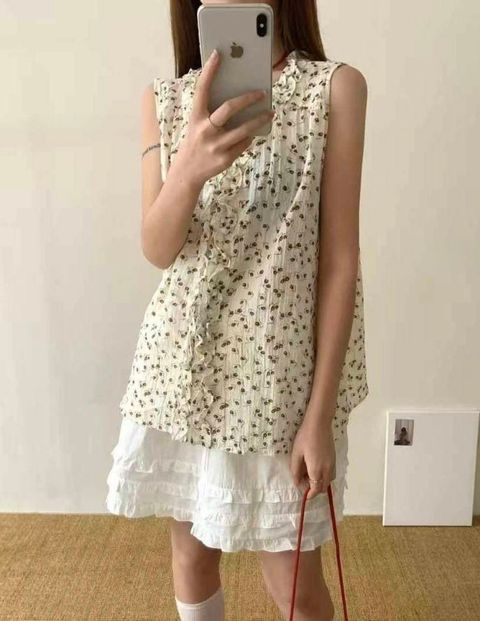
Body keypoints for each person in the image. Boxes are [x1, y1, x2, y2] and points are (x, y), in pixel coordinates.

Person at [106, 1, 369, 620]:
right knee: (192, 557)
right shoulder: (164, 99)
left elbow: (340, 261)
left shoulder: (334, 90)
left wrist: (319, 416)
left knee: (293, 580)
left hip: (280, 385)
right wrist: (189, 169)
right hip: (183, 374)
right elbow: (158, 248)